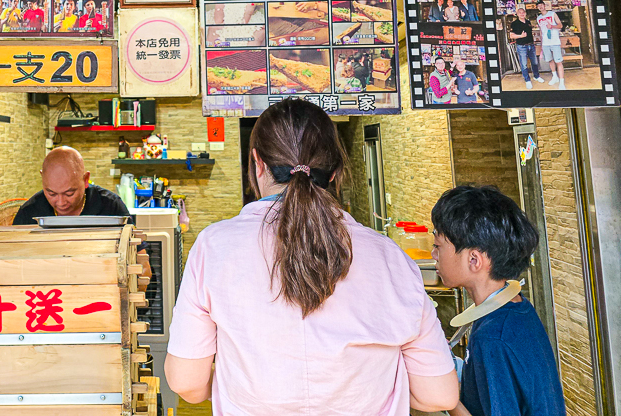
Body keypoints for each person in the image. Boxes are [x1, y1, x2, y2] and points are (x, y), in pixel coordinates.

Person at [164, 99, 458, 414]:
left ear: (257, 164)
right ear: (334, 172)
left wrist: (234, 384)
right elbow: (438, 395)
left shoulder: (213, 247)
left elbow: (187, 383)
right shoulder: (391, 259)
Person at [431, 186, 566, 416]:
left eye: (437, 246)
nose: (433, 255)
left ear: (474, 260)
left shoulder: (492, 337)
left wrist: (444, 395)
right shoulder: (516, 309)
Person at [507, 7, 544, 89]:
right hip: (522, 47)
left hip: (531, 45)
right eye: (520, 12)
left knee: (534, 62)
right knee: (524, 64)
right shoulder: (514, 23)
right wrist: (521, 36)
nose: (522, 14)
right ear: (517, 14)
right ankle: (527, 80)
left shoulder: (528, 22)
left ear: (525, 13)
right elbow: (511, 35)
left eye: (523, 12)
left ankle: (536, 76)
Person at [536, 1, 566, 90]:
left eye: (541, 5)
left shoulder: (552, 14)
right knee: (550, 60)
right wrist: (542, 43)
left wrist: (552, 26)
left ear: (545, 6)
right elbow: (541, 31)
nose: (540, 7)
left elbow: (560, 25)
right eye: (539, 6)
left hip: (555, 42)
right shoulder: (539, 18)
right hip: (545, 43)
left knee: (558, 62)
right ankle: (555, 77)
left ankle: (561, 82)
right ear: (537, 8)